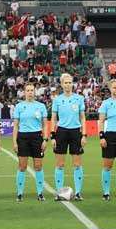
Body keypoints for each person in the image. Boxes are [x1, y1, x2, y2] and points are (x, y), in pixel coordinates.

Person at [50, 73, 87, 201]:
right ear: (61, 84)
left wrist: (84, 135)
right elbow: (53, 118)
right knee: (60, 164)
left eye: (70, 82)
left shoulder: (79, 99)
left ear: (73, 84)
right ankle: (59, 193)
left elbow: (82, 117)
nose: (68, 85)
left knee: (77, 164)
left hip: (76, 132)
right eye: (65, 83)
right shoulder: (57, 100)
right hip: (61, 132)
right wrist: (52, 136)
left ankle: (78, 193)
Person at [12, 83, 48, 202]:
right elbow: (15, 126)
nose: (30, 92)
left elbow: (45, 125)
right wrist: (14, 142)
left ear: (35, 92)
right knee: (22, 166)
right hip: (23, 137)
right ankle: (20, 193)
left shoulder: (41, 106)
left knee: (38, 166)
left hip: (37, 137)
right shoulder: (19, 106)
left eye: (32, 90)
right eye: (27, 90)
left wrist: (45, 139)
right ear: (24, 92)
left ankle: (40, 193)